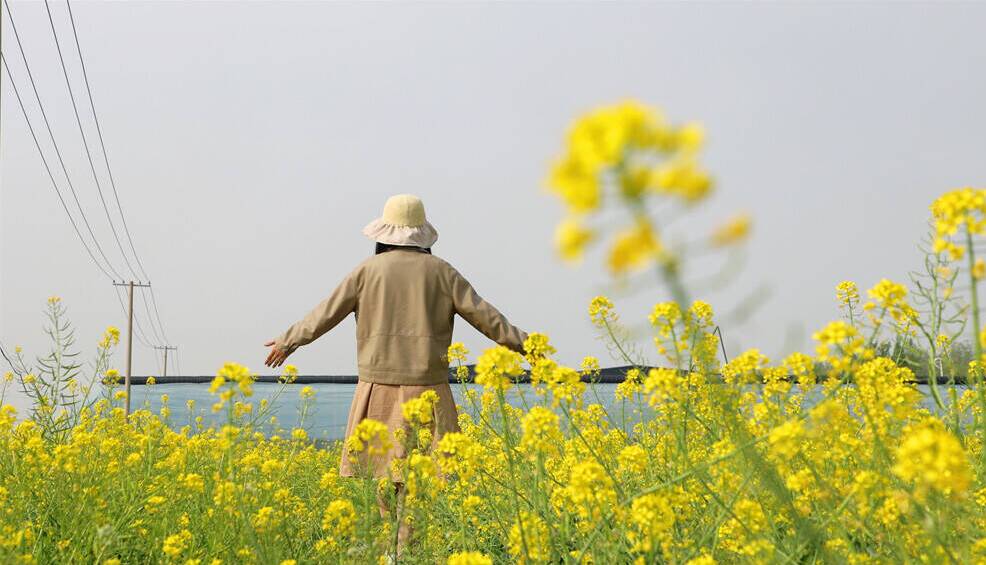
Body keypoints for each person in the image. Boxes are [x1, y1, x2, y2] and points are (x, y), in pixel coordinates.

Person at [263, 193, 527, 552]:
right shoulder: (442, 272)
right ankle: (410, 551)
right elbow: (487, 317)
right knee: (419, 483)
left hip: (377, 391)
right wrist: (529, 346)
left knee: (385, 481)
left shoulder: (366, 271)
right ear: (422, 234)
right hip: (428, 392)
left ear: (383, 233)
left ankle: (393, 552)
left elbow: (325, 313)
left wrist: (288, 340)